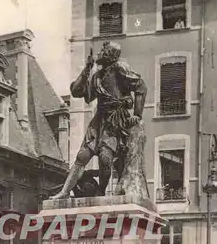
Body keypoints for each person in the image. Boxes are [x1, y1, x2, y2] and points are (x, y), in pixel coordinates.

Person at [51, 41, 147, 199]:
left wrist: (137, 114)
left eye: (104, 49)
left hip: (115, 120)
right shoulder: (96, 76)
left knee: (105, 159)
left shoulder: (119, 69)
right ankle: (64, 192)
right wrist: (86, 69)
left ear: (111, 54)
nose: (100, 52)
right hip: (99, 120)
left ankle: (101, 191)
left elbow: (141, 86)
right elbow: (76, 91)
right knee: (82, 156)